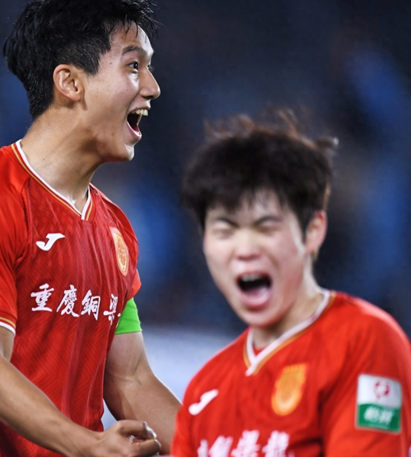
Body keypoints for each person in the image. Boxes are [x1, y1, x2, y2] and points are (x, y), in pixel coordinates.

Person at [0, 0, 180, 456]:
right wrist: (88, 445)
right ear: (70, 82)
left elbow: (131, 378)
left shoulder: (115, 231)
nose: (153, 88)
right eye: (134, 67)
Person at [172, 111, 411, 457]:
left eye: (266, 227)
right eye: (225, 230)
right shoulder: (205, 389)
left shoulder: (365, 341)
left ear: (313, 231)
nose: (244, 249)